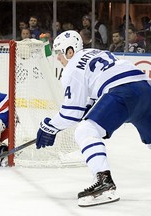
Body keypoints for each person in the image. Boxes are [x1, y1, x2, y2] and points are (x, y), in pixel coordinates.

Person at [36, 30, 151, 207]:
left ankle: (103, 180)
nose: (58, 58)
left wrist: (49, 127)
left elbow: (71, 114)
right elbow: (90, 99)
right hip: (145, 88)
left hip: (122, 92)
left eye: (59, 53)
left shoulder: (72, 68)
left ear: (70, 51)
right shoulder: (97, 52)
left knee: (85, 131)